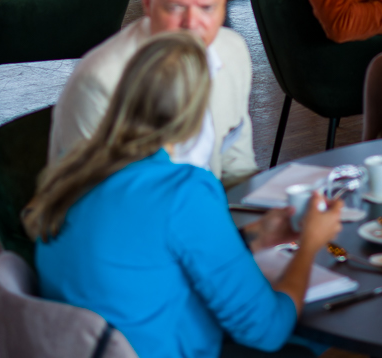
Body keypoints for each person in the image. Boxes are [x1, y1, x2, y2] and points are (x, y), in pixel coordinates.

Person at [27, 30, 343, 358]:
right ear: (196, 113)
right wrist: (309, 245)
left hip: (89, 345)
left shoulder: (73, 169)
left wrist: (251, 237)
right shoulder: (183, 191)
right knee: (315, 329)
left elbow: (149, 250)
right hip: (161, 347)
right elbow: (266, 330)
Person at [49, 0, 256, 183]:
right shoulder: (101, 81)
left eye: (207, 7)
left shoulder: (233, 52)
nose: (191, 23)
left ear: (223, 0)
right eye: (176, 7)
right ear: (147, 0)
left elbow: (237, 167)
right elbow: (93, 204)